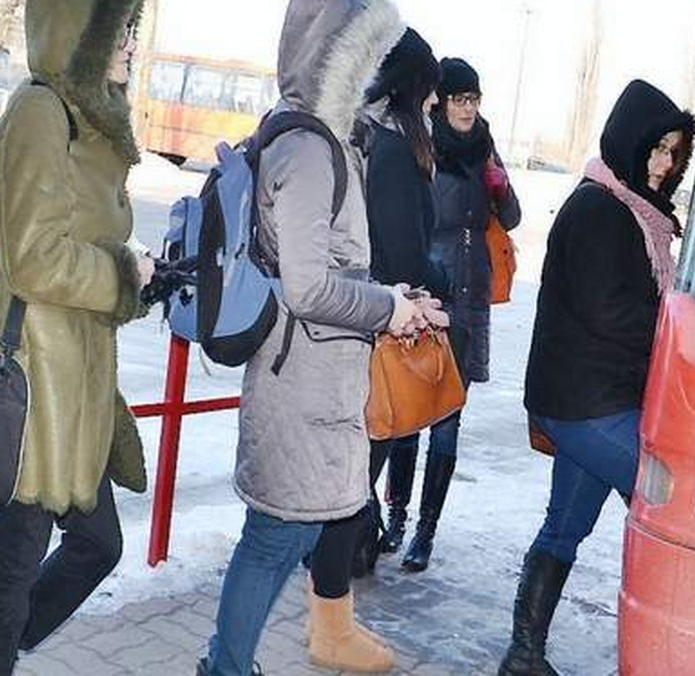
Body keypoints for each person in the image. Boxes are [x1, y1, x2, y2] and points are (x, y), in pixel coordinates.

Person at [198, 2, 426, 674]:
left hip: (310, 376)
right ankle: (226, 666)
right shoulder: (308, 149)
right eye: (369, 56)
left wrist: (393, 299)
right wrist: (387, 307)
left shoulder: (314, 139)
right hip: (299, 384)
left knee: (280, 532)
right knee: (275, 536)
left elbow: (329, 268)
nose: (377, 76)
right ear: (342, 58)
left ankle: (230, 661)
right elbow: (307, 287)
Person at [0, 1, 155, 674]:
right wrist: (122, 273)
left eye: (133, 27)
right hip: (34, 381)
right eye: (120, 28)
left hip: (77, 383)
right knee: (15, 561)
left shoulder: (81, 118)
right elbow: (33, 256)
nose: (132, 42)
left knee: (97, 545)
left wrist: (131, 270)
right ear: (82, 32)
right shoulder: (41, 113)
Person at [498, 80, 695, 676]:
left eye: (673, 153)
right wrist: (678, 332)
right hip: (589, 406)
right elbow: (612, 312)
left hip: (586, 400)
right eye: (655, 149)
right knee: (671, 509)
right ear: (628, 142)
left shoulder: (633, 212)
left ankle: (522, 655)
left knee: (565, 526)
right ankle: (662, 655)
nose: (662, 165)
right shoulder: (601, 209)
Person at [376, 57, 523, 571]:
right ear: (443, 102)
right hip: (428, 289)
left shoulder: (485, 148)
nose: (467, 109)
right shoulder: (425, 147)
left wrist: (498, 182)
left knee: (448, 417)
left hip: (470, 292)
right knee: (409, 411)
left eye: (474, 100)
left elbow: (512, 216)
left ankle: (426, 531)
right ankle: (395, 516)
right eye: (459, 99)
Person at [358, 27, 452, 576]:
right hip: (384, 319)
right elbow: (403, 253)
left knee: (368, 445)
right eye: (432, 90)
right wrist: (439, 276)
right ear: (412, 88)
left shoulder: (379, 140)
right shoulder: (393, 149)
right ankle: (337, 561)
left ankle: (341, 556)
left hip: (375, 314)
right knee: (370, 444)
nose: (436, 102)